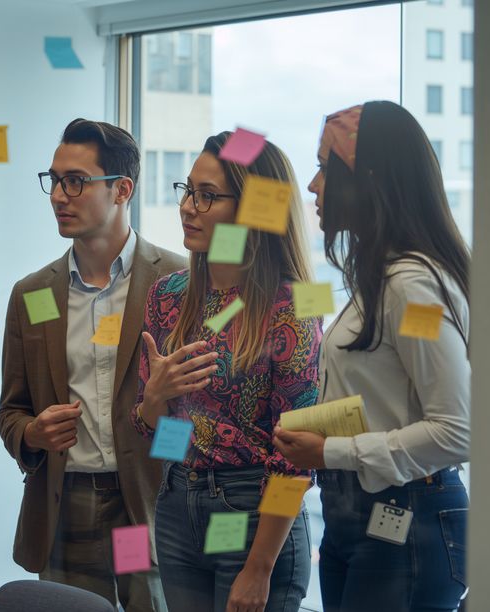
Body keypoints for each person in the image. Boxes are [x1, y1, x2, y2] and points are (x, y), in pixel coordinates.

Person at [274, 101, 470, 611]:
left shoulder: (412, 286)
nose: (314, 187)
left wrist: (329, 452)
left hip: (405, 516)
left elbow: (456, 431)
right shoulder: (380, 279)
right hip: (359, 515)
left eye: (324, 168)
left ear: (369, 179)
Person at [0, 118, 185, 611]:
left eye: (75, 181)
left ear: (123, 189)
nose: (59, 195)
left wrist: (162, 440)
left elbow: (203, 411)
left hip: (143, 502)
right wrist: (32, 434)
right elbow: (10, 411)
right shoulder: (33, 294)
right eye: (54, 181)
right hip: (66, 504)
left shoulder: (178, 284)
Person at [133, 132, 320, 612]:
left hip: (255, 515)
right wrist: (156, 400)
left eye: (208, 195)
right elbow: (154, 428)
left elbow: (295, 459)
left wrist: (259, 569)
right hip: (178, 503)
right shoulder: (168, 294)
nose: (188, 207)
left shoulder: (293, 305)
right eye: (187, 190)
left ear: (254, 209)